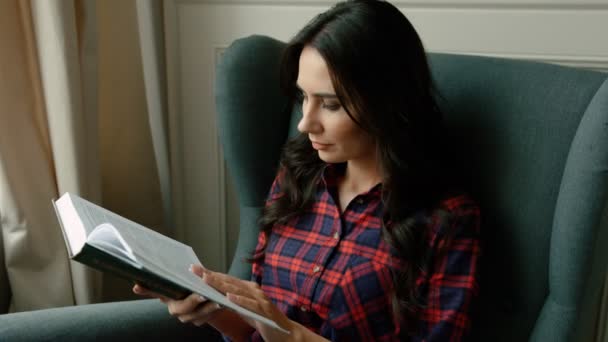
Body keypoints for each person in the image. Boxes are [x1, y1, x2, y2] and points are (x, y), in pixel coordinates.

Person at [134, 0, 481, 341]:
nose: (304, 124)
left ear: (388, 103)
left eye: (330, 104)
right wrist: (213, 311)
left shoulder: (446, 220)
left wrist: (291, 335)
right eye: (303, 98)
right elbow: (255, 330)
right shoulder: (297, 178)